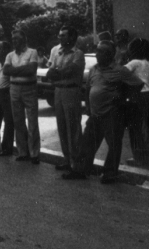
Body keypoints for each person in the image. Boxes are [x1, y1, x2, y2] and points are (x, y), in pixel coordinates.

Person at [64, 41, 143, 183]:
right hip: (95, 114)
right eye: (97, 51)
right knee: (87, 143)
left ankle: (110, 174)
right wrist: (88, 106)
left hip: (111, 114)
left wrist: (123, 100)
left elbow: (137, 85)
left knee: (113, 145)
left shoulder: (120, 70)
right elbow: (88, 88)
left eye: (101, 51)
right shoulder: (94, 69)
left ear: (110, 55)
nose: (97, 54)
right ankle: (81, 170)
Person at [46, 26, 85, 174]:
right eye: (59, 35)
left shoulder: (78, 54)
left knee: (73, 126)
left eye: (63, 35)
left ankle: (76, 163)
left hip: (71, 90)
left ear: (72, 38)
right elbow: (51, 72)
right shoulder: (57, 52)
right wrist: (57, 73)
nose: (60, 38)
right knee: (62, 126)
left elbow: (69, 71)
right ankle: (67, 159)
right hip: (59, 91)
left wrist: (57, 73)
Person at [3, 30, 40, 164]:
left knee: (32, 120)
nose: (14, 42)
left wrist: (15, 70)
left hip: (29, 88)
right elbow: (6, 71)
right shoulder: (10, 55)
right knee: (18, 120)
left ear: (24, 40)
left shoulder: (32, 52)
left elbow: (32, 70)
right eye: (13, 39)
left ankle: (34, 153)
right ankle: (22, 152)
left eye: (17, 39)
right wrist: (23, 69)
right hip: (14, 88)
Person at [123, 37, 149, 167]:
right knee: (145, 126)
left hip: (137, 96)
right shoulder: (146, 63)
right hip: (147, 95)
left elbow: (120, 73)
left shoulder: (134, 63)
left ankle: (138, 157)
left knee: (135, 128)